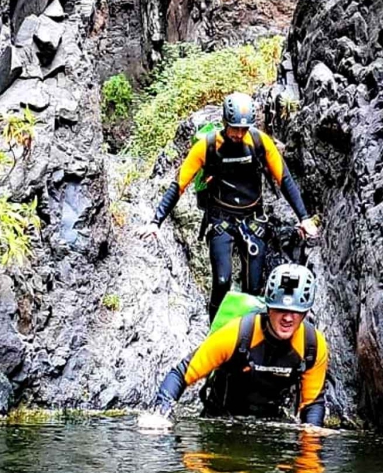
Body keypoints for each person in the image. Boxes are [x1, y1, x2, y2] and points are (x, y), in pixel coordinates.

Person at [140, 92, 320, 318]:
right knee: (222, 281)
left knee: (253, 288)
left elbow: (284, 179)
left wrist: (303, 218)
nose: (238, 133)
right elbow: (179, 184)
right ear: (225, 122)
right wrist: (156, 221)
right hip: (221, 220)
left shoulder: (258, 142)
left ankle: (247, 335)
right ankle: (214, 332)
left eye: (243, 129)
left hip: (253, 220)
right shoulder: (207, 146)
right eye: (234, 128)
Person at [139, 263, 328, 430]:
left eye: (296, 312)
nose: (288, 318)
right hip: (220, 422)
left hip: (270, 428)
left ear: (305, 313)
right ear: (268, 307)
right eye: (281, 309)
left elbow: (312, 405)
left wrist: (309, 451)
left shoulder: (312, 345)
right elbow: (181, 374)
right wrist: (160, 414)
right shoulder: (238, 333)